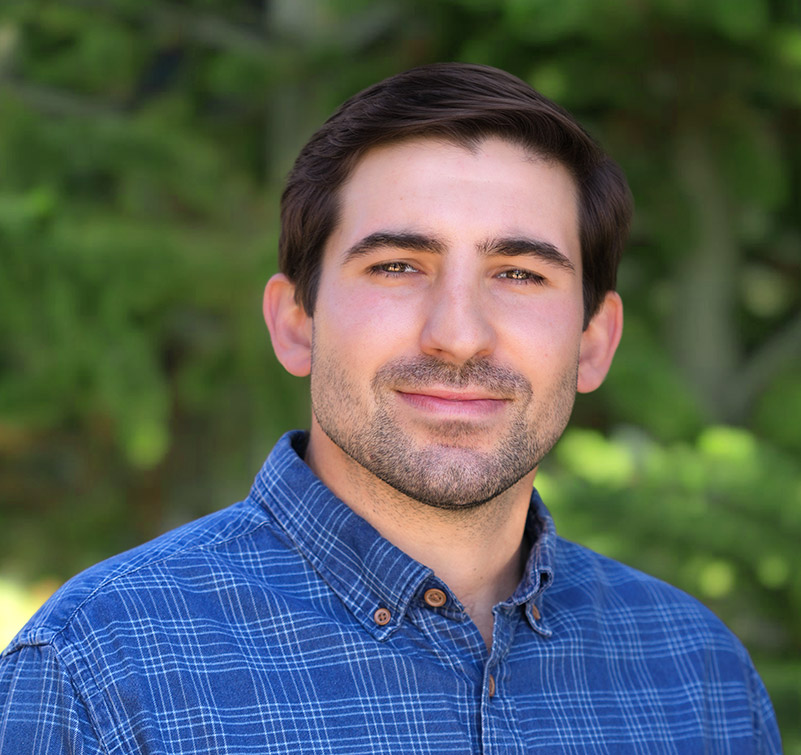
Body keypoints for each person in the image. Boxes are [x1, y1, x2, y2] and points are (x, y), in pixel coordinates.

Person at [0, 63, 781, 753]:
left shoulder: (699, 677)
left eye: (519, 274)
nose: (458, 335)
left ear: (592, 341)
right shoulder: (98, 670)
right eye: (398, 266)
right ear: (295, 322)